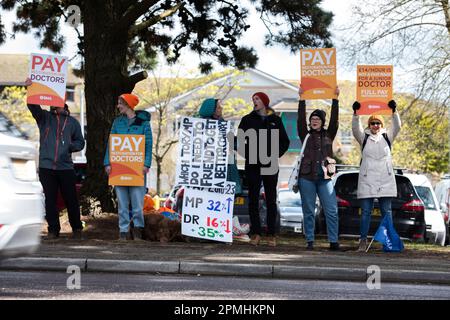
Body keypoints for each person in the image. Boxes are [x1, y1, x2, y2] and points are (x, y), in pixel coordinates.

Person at [25, 78, 85, 240]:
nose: (53, 104)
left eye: (56, 100)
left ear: (63, 101)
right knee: (50, 200)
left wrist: (70, 147)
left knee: (71, 199)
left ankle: (77, 229)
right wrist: (30, 89)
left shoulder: (73, 122)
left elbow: (80, 142)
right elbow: (32, 105)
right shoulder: (44, 117)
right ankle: (53, 230)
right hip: (46, 167)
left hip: (66, 167)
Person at [237, 92, 290, 247]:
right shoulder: (247, 120)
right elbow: (239, 142)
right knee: (253, 199)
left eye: (257, 99)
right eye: (253, 99)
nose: (254, 101)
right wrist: (249, 154)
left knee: (271, 198)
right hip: (252, 164)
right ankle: (255, 233)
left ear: (265, 102)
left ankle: (271, 234)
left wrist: (275, 154)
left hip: (270, 164)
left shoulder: (275, 120)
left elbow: (285, 142)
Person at [352, 100, 401, 252]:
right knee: (366, 212)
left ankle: (388, 242)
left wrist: (394, 111)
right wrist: (356, 114)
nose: (375, 126)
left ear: (381, 124)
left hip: (385, 180)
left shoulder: (388, 136)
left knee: (387, 212)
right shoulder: (363, 137)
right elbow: (355, 129)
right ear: (369, 125)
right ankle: (363, 241)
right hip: (368, 179)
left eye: (378, 123)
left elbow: (397, 126)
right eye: (372, 123)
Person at [295, 86, 340, 251]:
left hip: (325, 178)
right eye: (312, 118)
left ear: (322, 121)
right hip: (306, 177)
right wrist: (302, 99)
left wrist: (335, 99)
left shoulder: (329, 134)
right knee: (308, 210)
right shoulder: (304, 134)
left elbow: (335, 119)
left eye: (317, 119)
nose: (314, 120)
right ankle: (310, 241)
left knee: (331, 210)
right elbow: (300, 119)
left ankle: (334, 241)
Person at [104, 93, 152, 241]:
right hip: (119, 168)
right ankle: (123, 231)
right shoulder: (117, 122)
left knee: (137, 204)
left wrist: (146, 164)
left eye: (121, 103)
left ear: (129, 105)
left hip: (138, 169)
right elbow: (111, 143)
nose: (118, 106)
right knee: (122, 204)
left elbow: (148, 145)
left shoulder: (143, 123)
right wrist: (107, 162)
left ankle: (138, 230)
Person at [198, 98, 242, 195]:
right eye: (218, 107)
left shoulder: (198, 124)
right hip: (220, 175)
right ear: (211, 110)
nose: (221, 108)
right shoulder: (203, 126)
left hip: (207, 177)